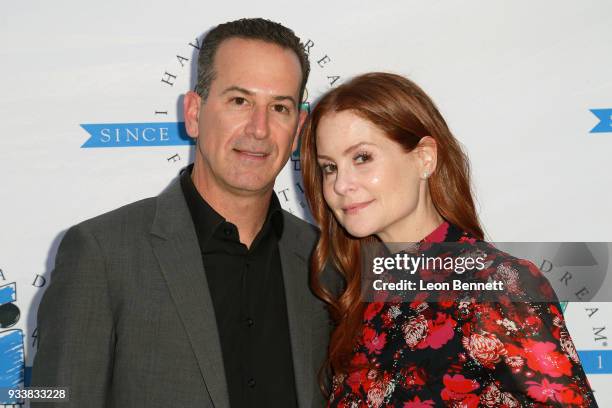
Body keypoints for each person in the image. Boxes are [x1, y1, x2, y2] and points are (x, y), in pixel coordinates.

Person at [32, 18, 335, 408]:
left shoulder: (324, 260)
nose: (259, 129)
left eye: (279, 107)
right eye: (239, 101)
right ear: (194, 112)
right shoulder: (102, 253)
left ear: (297, 130)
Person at [300, 72, 597, 407]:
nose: (341, 184)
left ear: (425, 158)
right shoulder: (362, 297)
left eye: (362, 158)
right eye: (329, 168)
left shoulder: (497, 284)